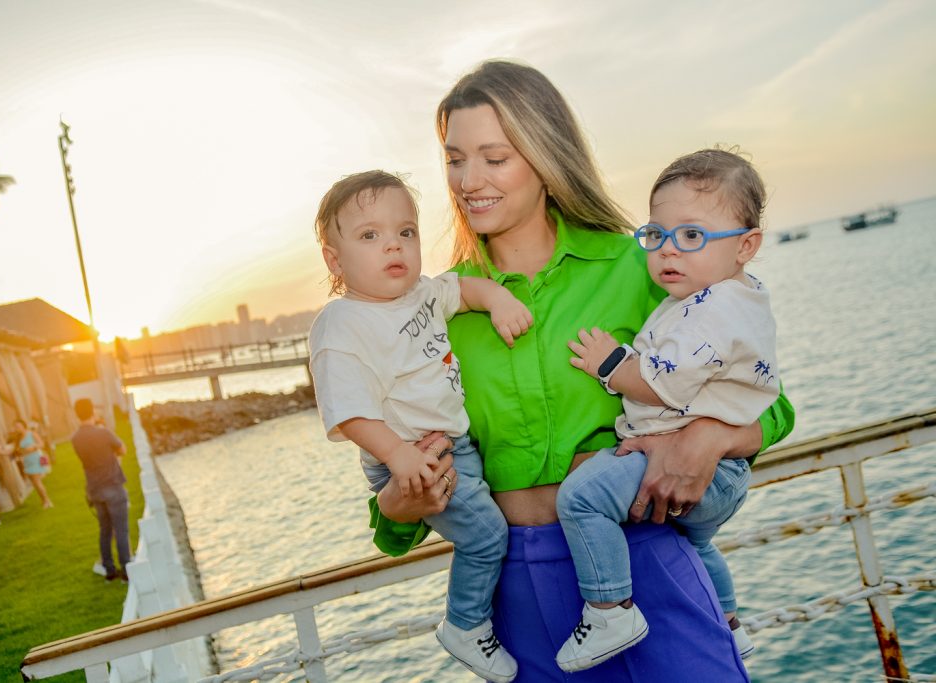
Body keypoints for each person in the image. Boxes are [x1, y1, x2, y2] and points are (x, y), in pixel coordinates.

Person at [371, 60, 794, 681]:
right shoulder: (430, 311)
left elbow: (772, 404)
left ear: (544, 155)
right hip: (514, 595)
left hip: (645, 562)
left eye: (495, 157)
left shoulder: (643, 264)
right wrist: (398, 508)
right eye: (455, 159)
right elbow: (394, 506)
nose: (469, 179)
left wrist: (710, 437)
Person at [556, 148, 778, 670]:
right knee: (697, 546)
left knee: (582, 500)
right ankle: (729, 624)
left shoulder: (713, 308)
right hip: (726, 474)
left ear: (746, 246)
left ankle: (610, 608)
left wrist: (609, 362)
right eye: (656, 235)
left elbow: (660, 384)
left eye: (692, 236)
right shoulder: (730, 296)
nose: (668, 252)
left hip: (706, 468)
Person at [309, 170, 533, 682]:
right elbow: (348, 409)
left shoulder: (423, 294)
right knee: (486, 536)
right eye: (370, 235)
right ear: (334, 259)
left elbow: (463, 289)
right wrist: (397, 456)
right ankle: (465, 624)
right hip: (409, 456)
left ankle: (490, 621)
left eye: (405, 232)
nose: (394, 245)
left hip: (454, 446)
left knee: (493, 530)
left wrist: (497, 300)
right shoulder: (342, 322)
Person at [71, 398, 132, 583]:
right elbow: (122, 449)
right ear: (92, 411)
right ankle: (127, 570)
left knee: (104, 530)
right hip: (113, 485)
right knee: (121, 531)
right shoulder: (103, 433)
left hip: (95, 489)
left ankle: (109, 571)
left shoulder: (75, 439)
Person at [12, 417, 53, 509]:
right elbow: (16, 450)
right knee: (35, 484)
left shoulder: (31, 433)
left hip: (35, 459)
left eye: (18, 426)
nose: (16, 428)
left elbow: (41, 444)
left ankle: (47, 501)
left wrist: (33, 447)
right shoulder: (18, 438)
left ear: (23, 426)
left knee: (37, 482)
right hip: (26, 462)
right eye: (15, 427)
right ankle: (44, 501)